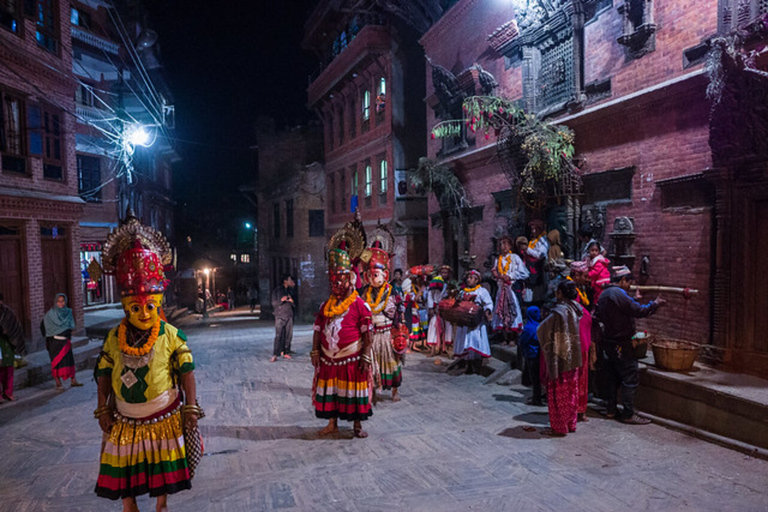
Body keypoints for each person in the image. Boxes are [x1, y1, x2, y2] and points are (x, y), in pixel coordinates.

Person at [94, 212, 199, 510]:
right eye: (135, 307)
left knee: (160, 468)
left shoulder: (171, 334)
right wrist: (103, 407)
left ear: (159, 303)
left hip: (162, 417)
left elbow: (187, 372)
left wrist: (190, 406)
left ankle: (161, 504)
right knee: (127, 470)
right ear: (126, 306)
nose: (143, 312)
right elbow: (103, 373)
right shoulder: (114, 337)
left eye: (150, 305)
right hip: (124, 419)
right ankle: (129, 505)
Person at [311, 240, 373, 438]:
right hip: (329, 359)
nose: (335, 286)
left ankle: (357, 426)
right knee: (332, 393)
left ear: (350, 280)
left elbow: (367, 334)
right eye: (332, 282)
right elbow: (318, 329)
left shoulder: (360, 305)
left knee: (354, 394)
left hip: (352, 358)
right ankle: (332, 424)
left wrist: (365, 357)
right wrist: (315, 351)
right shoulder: (325, 306)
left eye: (339, 281)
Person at [594, 266, 667, 424]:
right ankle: (628, 414)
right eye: (628, 282)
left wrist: (635, 299)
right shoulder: (618, 294)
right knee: (629, 377)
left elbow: (624, 309)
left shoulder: (605, 294)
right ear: (622, 280)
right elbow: (639, 311)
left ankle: (611, 410)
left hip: (608, 342)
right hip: (621, 343)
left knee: (613, 378)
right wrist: (655, 304)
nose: (629, 286)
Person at [537, 280, 583, 436]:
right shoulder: (576, 308)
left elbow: (542, 329)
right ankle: (571, 423)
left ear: (560, 293)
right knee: (571, 392)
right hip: (573, 355)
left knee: (558, 393)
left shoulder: (558, 312)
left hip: (560, 356)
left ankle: (559, 427)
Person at [362, 247, 401, 403]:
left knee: (392, 363)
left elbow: (400, 313)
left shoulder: (392, 292)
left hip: (386, 334)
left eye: (376, 275)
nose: (373, 278)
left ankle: (394, 391)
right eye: (370, 275)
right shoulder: (365, 292)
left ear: (385, 275)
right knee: (372, 364)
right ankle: (374, 390)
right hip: (372, 335)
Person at [453, 270, 494, 375]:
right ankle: (469, 365)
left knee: (475, 341)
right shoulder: (463, 292)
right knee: (466, 343)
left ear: (477, 280)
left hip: (476, 322)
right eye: (468, 278)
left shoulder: (482, 291)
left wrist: (487, 310)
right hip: (465, 322)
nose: (468, 280)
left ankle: (477, 365)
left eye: (471, 278)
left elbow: (488, 303)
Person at [42, 293, 82, 390]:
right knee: (57, 362)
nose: (61, 303)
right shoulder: (50, 315)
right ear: (56, 302)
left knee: (69, 361)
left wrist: (67, 330)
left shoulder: (68, 312)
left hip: (66, 341)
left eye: (62, 301)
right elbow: (45, 328)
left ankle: (73, 380)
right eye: (59, 301)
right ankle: (58, 383)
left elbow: (71, 325)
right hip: (55, 343)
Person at [491, 237, 528, 340]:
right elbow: (496, 274)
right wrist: (496, 275)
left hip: (511, 288)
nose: (504, 247)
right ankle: (504, 337)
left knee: (512, 310)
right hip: (501, 288)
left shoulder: (515, 258)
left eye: (506, 244)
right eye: (502, 244)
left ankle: (513, 337)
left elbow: (524, 273)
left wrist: (510, 276)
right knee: (501, 311)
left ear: (510, 246)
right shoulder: (498, 259)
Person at [0, 292, 25, 403]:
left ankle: (8, 392)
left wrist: (15, 343)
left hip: (7, 344)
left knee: (9, 369)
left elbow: (15, 328)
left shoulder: (7, 313)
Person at [427, 266, 454, 356]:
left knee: (448, 326)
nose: (444, 274)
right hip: (436, 306)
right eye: (442, 272)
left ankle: (446, 348)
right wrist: (431, 307)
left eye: (446, 272)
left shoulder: (450, 283)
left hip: (446, 306)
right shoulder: (436, 281)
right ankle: (433, 349)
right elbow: (430, 295)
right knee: (434, 325)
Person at [518, 306, 543, 405]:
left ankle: (536, 399)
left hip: (531, 354)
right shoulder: (540, 325)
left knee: (534, 378)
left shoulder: (529, 328)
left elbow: (523, 340)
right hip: (539, 354)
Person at [270, 274, 295, 362]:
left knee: (288, 335)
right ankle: (276, 353)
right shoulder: (277, 291)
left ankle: (286, 351)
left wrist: (292, 301)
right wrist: (282, 300)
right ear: (285, 281)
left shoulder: (289, 291)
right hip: (280, 315)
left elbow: (294, 304)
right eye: (289, 280)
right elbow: (273, 303)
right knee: (279, 335)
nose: (291, 282)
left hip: (289, 314)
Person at [524, 220, 549, 305]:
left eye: (535, 229)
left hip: (538, 269)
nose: (533, 231)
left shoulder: (543, 240)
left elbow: (540, 255)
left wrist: (527, 249)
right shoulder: (533, 240)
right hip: (531, 268)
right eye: (532, 229)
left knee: (537, 291)